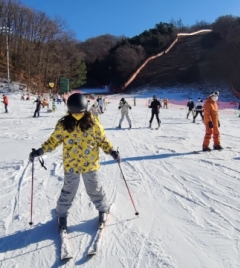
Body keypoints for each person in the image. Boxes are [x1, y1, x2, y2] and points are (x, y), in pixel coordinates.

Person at [29, 93, 120, 230]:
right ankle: (62, 214)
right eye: (74, 112)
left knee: (94, 188)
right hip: (71, 165)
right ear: (69, 110)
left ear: (85, 109)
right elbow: (54, 140)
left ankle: (103, 209)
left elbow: (102, 140)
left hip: (90, 164)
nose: (77, 115)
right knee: (68, 191)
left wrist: (112, 151)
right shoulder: (64, 123)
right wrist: (40, 151)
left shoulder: (93, 122)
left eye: (80, 113)